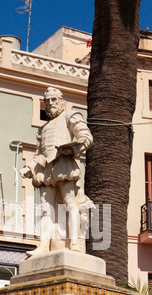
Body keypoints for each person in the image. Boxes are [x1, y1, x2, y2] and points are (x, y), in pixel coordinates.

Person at [20, 87, 93, 257]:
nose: (51, 103)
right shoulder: (42, 129)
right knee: (46, 210)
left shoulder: (71, 116)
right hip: (45, 170)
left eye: (54, 100)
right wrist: (29, 167)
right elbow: (39, 154)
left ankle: (74, 244)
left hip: (63, 164)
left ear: (61, 101)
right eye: (48, 101)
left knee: (70, 204)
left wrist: (73, 149)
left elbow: (86, 137)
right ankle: (44, 245)